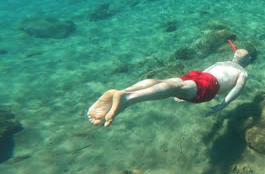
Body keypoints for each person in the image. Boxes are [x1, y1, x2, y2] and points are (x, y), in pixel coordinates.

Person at [87, 41, 250, 127]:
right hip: (210, 86)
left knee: (166, 83)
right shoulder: (242, 72)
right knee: (173, 89)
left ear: (233, 57)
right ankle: (128, 98)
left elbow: (204, 72)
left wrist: (188, 92)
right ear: (247, 61)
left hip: (199, 75)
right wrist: (223, 104)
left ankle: (125, 90)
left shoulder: (221, 62)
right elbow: (237, 89)